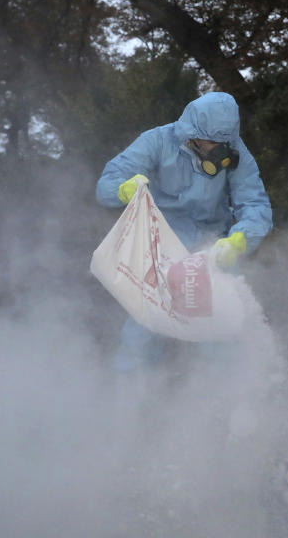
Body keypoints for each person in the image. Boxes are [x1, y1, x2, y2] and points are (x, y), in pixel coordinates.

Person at [95, 91, 273, 371]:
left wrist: (239, 240)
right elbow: (106, 184)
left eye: (225, 142)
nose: (221, 150)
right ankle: (130, 404)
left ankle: (214, 406)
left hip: (213, 246)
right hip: (160, 244)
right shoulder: (157, 141)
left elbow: (255, 204)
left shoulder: (237, 151)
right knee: (142, 330)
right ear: (192, 134)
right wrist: (123, 189)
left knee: (221, 330)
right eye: (212, 143)